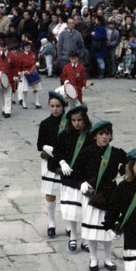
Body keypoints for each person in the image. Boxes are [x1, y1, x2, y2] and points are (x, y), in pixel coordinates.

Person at [76, 120, 127, 271]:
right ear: (94, 136)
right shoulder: (87, 152)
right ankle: (93, 258)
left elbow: (129, 161)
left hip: (109, 193)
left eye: (108, 134)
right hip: (92, 194)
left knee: (107, 229)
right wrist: (81, 183)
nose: (105, 137)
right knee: (92, 230)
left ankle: (107, 258)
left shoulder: (116, 152)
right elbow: (77, 171)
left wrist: (121, 172)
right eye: (101, 134)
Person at [49, 104, 92, 252]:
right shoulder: (64, 135)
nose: (77, 123)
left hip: (85, 178)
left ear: (85, 120)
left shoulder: (90, 136)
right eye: (74, 120)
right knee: (71, 210)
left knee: (86, 210)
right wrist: (62, 162)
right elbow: (56, 154)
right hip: (70, 178)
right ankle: (73, 236)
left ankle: (85, 239)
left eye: (80, 120)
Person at [37, 91, 68, 237]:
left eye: (58, 106)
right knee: (50, 194)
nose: (55, 109)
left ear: (63, 107)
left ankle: (68, 224)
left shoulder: (69, 123)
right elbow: (39, 145)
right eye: (52, 106)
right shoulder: (45, 123)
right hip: (50, 162)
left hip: (65, 162)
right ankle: (51, 223)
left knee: (66, 195)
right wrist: (46, 148)